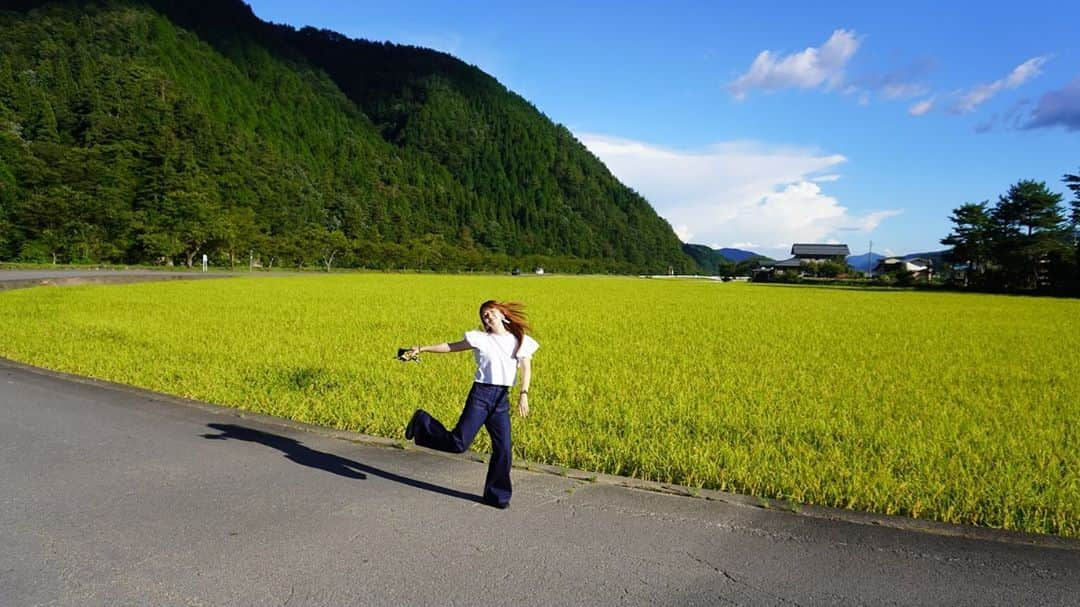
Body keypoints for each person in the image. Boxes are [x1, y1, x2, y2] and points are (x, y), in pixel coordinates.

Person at [401, 300, 538, 509]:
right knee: (458, 443)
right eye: (483, 315)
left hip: (501, 399)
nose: (487, 317)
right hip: (481, 396)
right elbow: (451, 346)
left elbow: (526, 369)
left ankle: (497, 496)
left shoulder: (519, 340)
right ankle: (422, 422)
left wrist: (524, 393)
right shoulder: (480, 339)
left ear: (502, 314)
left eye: (490, 312)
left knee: (504, 450)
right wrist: (423, 348)